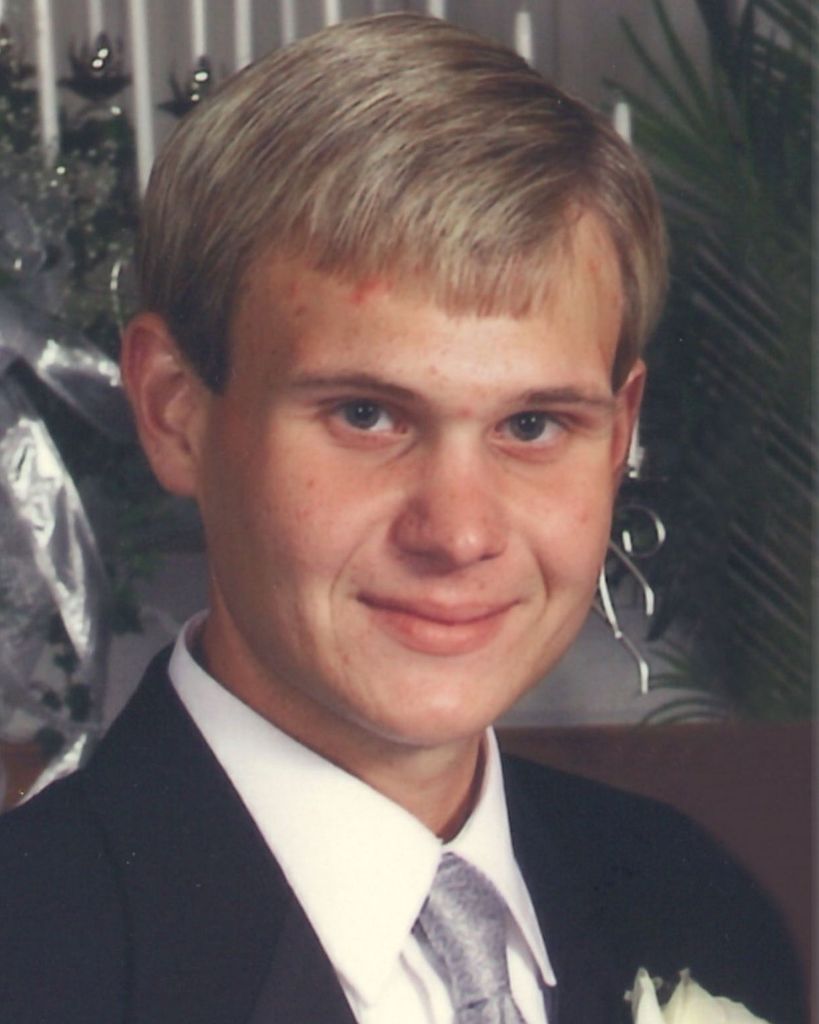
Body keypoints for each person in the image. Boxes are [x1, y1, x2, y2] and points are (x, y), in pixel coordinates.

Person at [0, 13, 803, 1024]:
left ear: (618, 434)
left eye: (532, 424)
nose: (459, 533)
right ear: (174, 410)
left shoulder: (697, 906)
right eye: (365, 415)